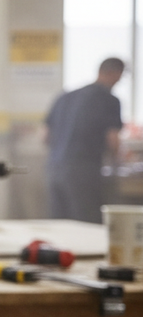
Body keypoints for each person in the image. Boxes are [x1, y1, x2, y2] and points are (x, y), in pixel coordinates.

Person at [45, 57, 125, 223]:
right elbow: (113, 139)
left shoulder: (65, 97)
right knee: (86, 222)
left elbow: (45, 136)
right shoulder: (108, 99)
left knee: (60, 222)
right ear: (115, 73)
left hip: (54, 169)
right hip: (83, 170)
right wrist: (118, 163)